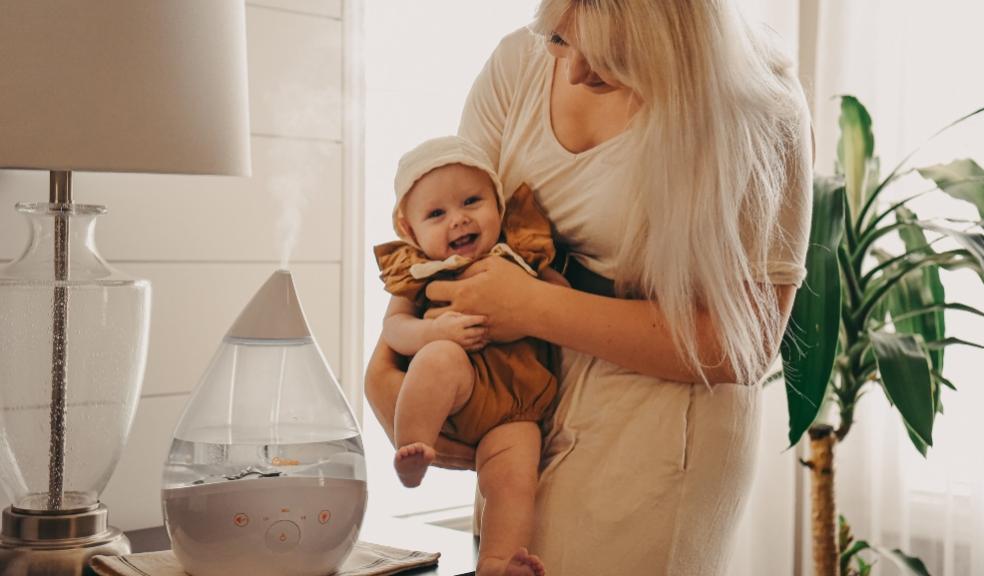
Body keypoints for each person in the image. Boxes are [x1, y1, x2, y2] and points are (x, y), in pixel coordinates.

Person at [366, 1, 813, 574]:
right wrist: (386, 371)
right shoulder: (517, 64)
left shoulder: (758, 108)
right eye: (559, 39)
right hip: (525, 391)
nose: (573, 71)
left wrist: (530, 305)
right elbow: (449, 236)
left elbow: (740, 344)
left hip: (664, 412)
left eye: (611, 52)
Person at [374, 135, 567, 576]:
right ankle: (415, 447)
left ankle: (497, 562)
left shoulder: (518, 254)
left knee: (515, 481)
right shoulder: (419, 272)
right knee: (439, 357)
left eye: (472, 201)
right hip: (455, 391)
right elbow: (395, 328)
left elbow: (559, 299)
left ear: (498, 206)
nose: (458, 220)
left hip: (516, 408)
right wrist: (431, 331)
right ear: (410, 231)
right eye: (437, 213)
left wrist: (545, 295)